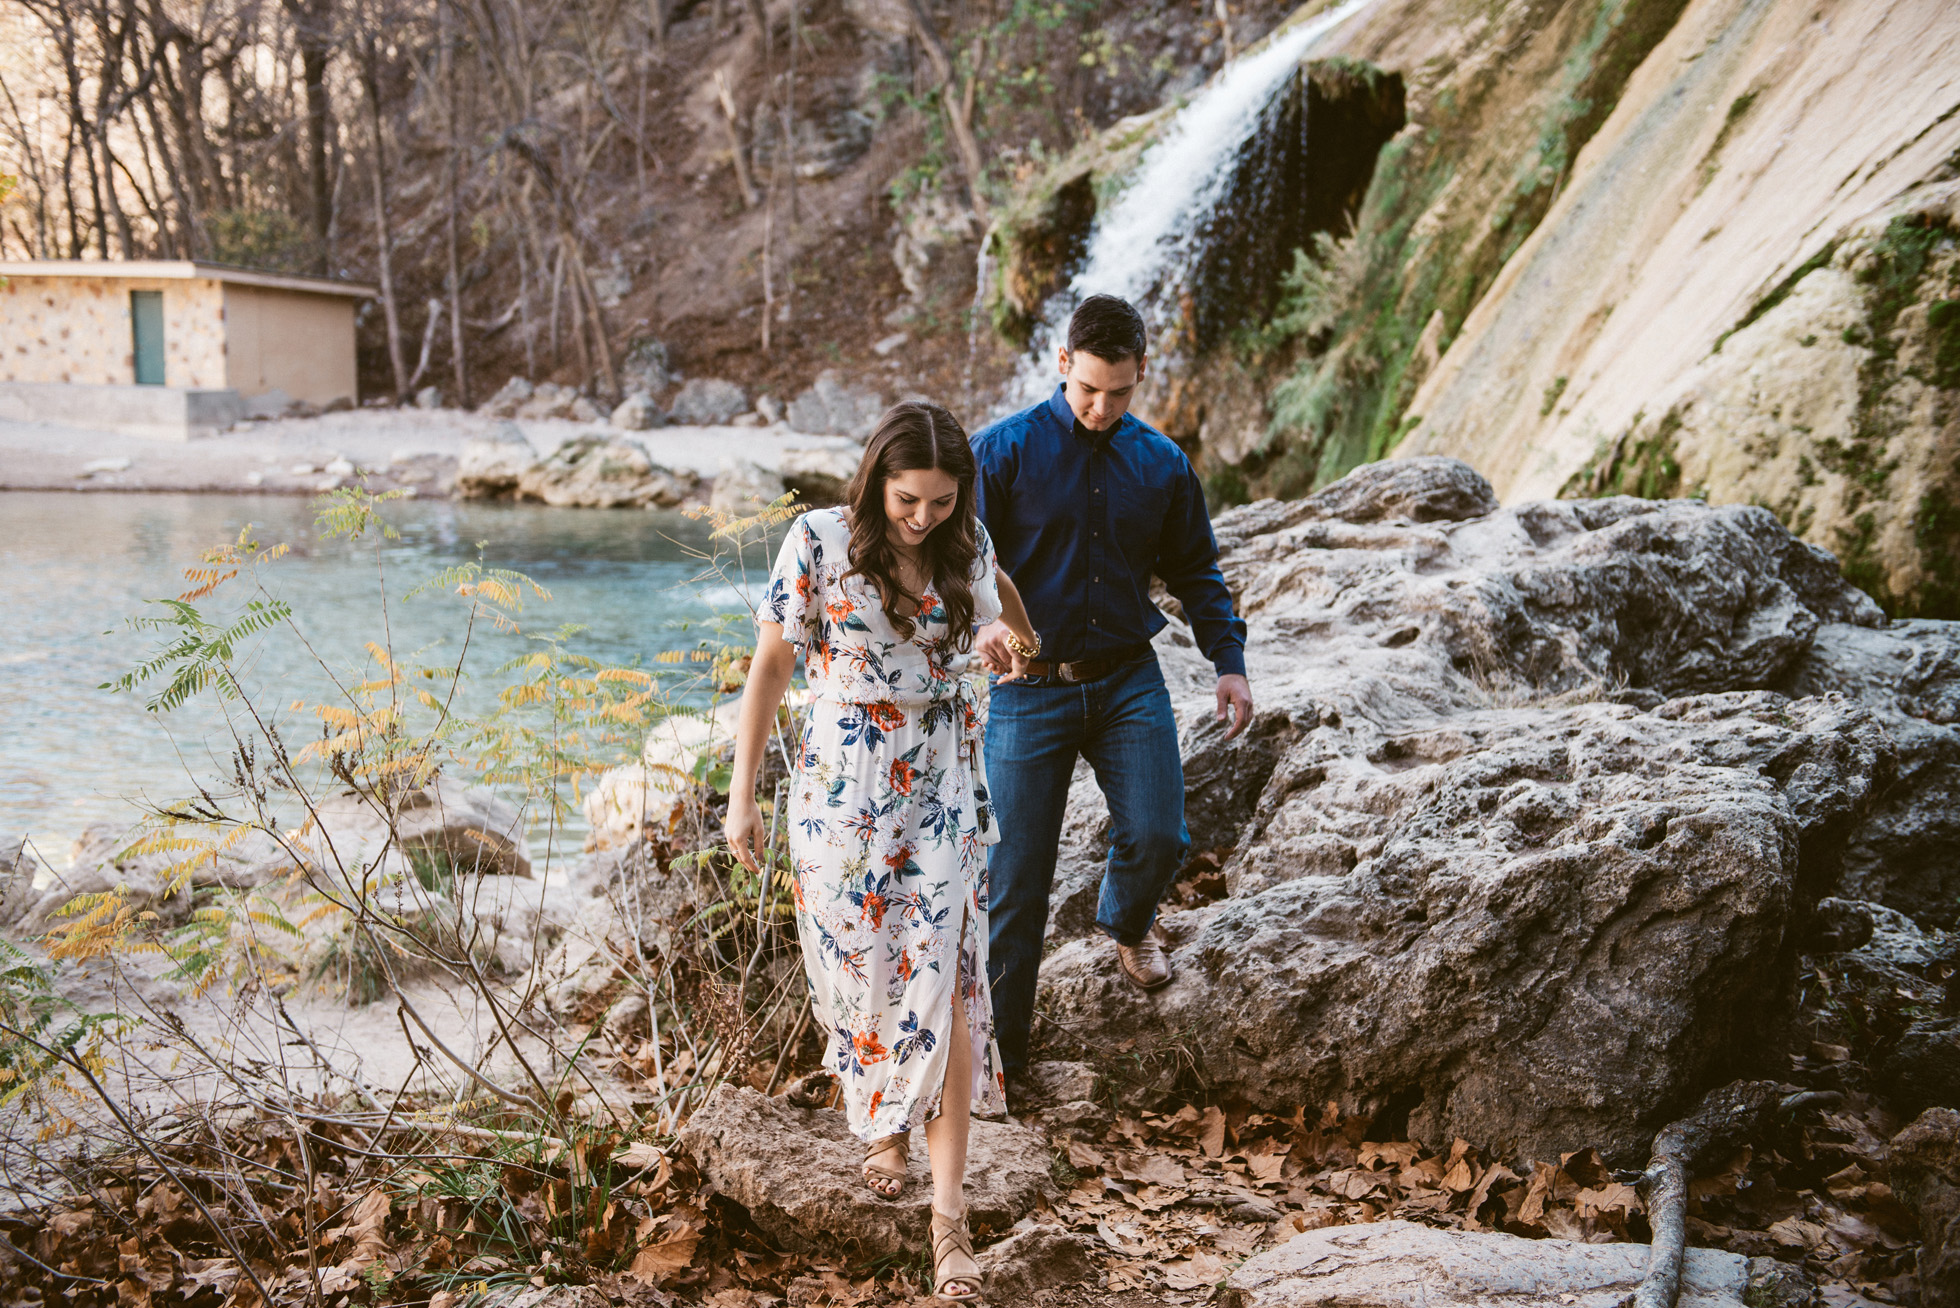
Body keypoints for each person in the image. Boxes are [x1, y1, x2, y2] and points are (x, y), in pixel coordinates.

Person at [726, 401, 1044, 1303]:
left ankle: (950, 1224)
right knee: (859, 976)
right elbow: (772, 667)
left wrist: (1014, 643)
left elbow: (999, 605)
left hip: (940, 785)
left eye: (942, 501)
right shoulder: (819, 541)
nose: (924, 517)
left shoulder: (963, 540)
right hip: (841, 793)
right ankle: (884, 1124)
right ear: (877, 482)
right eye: (910, 499)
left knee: (942, 980)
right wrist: (742, 797)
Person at [971, 293, 1253, 1104]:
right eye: (1090, 387)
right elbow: (964, 573)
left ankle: (1128, 921)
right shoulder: (1001, 455)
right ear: (1063, 365)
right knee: (1016, 879)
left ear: (1139, 377)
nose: (1102, 406)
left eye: (1119, 391)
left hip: (1131, 678)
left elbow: (1197, 570)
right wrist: (980, 637)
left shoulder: (1162, 464)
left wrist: (1227, 661)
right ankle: (1004, 1066)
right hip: (1028, 691)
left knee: (1162, 832)